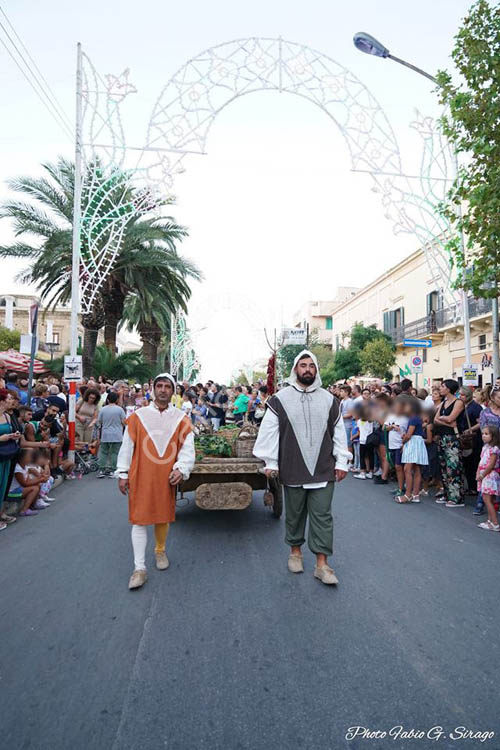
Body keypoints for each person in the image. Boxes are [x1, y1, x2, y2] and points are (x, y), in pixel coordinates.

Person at [253, 350, 350, 586]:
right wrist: (271, 462)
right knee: (295, 514)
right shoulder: (280, 399)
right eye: (303, 365)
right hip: (292, 466)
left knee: (323, 516)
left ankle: (322, 564)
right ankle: (295, 552)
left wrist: (342, 461)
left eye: (311, 366)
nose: (307, 369)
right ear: (296, 369)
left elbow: (338, 433)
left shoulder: (330, 400)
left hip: (323, 468)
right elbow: (269, 432)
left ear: (316, 370)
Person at [116, 373, 195, 590]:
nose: (162, 390)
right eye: (159, 386)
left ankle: (160, 550)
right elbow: (127, 446)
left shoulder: (181, 418)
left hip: (165, 476)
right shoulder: (138, 416)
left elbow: (188, 449)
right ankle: (139, 568)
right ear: (153, 389)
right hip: (140, 473)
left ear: (173, 391)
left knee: (162, 517)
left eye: (167, 386)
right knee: (139, 519)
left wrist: (182, 468)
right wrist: (123, 473)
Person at [434, 379, 465, 508]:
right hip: (442, 437)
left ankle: (456, 497)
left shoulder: (458, 402)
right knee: (444, 467)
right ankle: (447, 493)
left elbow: (452, 418)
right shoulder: (443, 403)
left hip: (453, 438)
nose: (440, 388)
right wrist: (445, 421)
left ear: (449, 389)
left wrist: (445, 420)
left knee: (453, 467)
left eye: (442, 386)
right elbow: (436, 419)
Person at [398, 397, 428, 504]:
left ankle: (408, 494)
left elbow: (409, 435)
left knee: (407, 469)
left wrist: (403, 442)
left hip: (413, 443)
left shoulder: (413, 418)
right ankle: (415, 494)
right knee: (416, 470)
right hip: (417, 442)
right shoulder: (416, 417)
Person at [457, 386, 483, 498]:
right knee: (466, 463)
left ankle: (474, 487)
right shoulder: (461, 406)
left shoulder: (476, 407)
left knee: (473, 462)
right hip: (464, 437)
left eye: (462, 395)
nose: (460, 397)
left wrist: (470, 429)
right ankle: (471, 486)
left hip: (474, 437)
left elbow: (480, 422)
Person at [476, 425, 500, 532]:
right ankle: (489, 521)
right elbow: (481, 461)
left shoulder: (494, 449)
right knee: (488, 499)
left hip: (489, 475)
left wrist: (482, 475)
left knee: (487, 499)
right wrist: (478, 473)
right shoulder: (485, 447)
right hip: (484, 475)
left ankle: (495, 523)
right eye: (483, 434)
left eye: (486, 434)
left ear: (493, 436)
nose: (483, 436)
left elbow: (491, 465)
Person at [97, 391, 126, 478]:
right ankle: (113, 470)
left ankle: (102, 469)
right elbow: (124, 422)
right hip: (117, 434)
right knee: (115, 452)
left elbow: (99, 421)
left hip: (105, 433)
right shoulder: (120, 409)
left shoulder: (103, 409)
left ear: (108, 399)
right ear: (117, 399)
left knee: (103, 452)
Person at [383, 396, 408, 498]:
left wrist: (403, 443)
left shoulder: (406, 418)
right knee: (396, 467)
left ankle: (403, 488)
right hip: (391, 444)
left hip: (400, 445)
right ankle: (400, 487)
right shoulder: (391, 416)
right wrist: (391, 426)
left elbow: (407, 432)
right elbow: (384, 428)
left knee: (400, 466)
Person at [353, 403, 374, 480]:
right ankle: (371, 472)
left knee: (362, 456)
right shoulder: (370, 421)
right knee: (370, 456)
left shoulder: (359, 421)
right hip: (370, 440)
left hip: (362, 441)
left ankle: (363, 472)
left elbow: (359, 432)